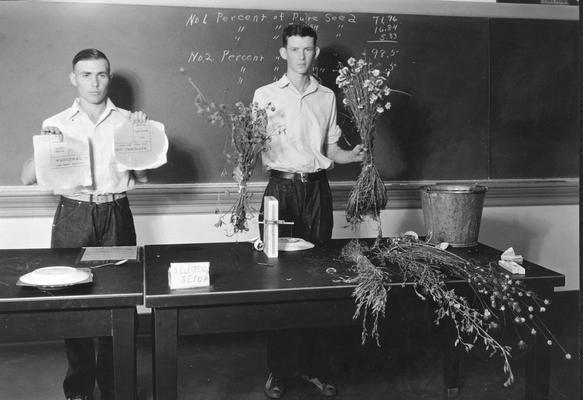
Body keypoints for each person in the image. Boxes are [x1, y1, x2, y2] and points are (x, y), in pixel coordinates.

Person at [22, 48, 154, 400]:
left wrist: (141, 137)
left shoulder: (129, 119)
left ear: (109, 77)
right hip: (74, 213)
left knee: (120, 300)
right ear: (73, 78)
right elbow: (26, 178)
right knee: (73, 301)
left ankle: (114, 385)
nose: (94, 82)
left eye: (101, 74)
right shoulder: (57, 122)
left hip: (115, 212)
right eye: (86, 75)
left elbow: (140, 175)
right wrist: (46, 146)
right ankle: (78, 388)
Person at [247, 23, 365, 399]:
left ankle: (314, 368)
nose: (302, 56)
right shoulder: (264, 95)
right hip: (280, 190)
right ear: (283, 53)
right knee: (277, 281)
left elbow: (331, 151)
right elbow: (252, 144)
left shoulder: (326, 96)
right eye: (295, 49)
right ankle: (278, 372)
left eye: (308, 49)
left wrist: (354, 155)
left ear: (315, 52)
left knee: (317, 280)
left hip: (317, 190)